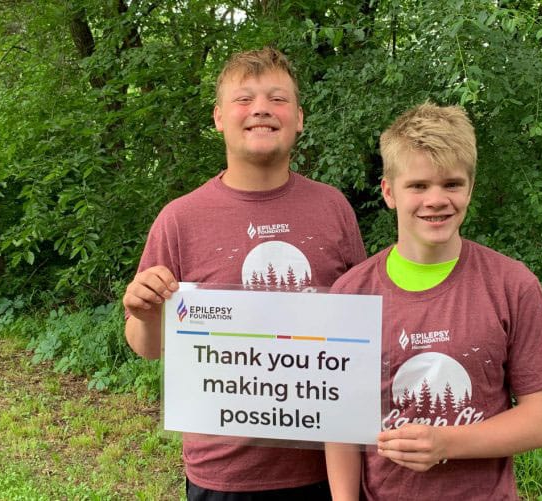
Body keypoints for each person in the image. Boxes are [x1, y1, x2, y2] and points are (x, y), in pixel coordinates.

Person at [122, 47, 367, 500]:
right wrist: (144, 310)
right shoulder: (180, 219)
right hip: (224, 474)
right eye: (244, 99)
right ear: (218, 118)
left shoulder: (334, 208)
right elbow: (147, 348)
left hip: (329, 467)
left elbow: (362, 335)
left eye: (277, 99)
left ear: (299, 118)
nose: (260, 109)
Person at [326, 103, 542, 500]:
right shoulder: (352, 293)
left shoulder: (512, 285)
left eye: (451, 184)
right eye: (418, 186)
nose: (436, 200)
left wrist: (446, 443)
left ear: (470, 188)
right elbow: (340, 424)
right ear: (389, 191)